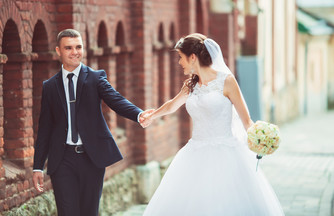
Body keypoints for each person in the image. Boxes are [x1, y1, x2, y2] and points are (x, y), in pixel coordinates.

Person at [141, 33, 285, 215]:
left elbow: (246, 121)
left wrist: (262, 138)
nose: (179, 63)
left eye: (181, 57)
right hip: (194, 152)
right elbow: (172, 105)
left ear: (192, 57)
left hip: (226, 152)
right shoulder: (190, 85)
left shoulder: (227, 81)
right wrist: (152, 115)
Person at [32, 29, 151, 216]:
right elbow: (45, 128)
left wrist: (138, 114)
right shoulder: (50, 86)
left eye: (78, 47)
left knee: (89, 212)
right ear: (58, 51)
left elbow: (116, 100)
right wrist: (38, 165)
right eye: (69, 48)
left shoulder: (95, 78)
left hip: (91, 158)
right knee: (67, 212)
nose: (75, 52)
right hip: (62, 160)